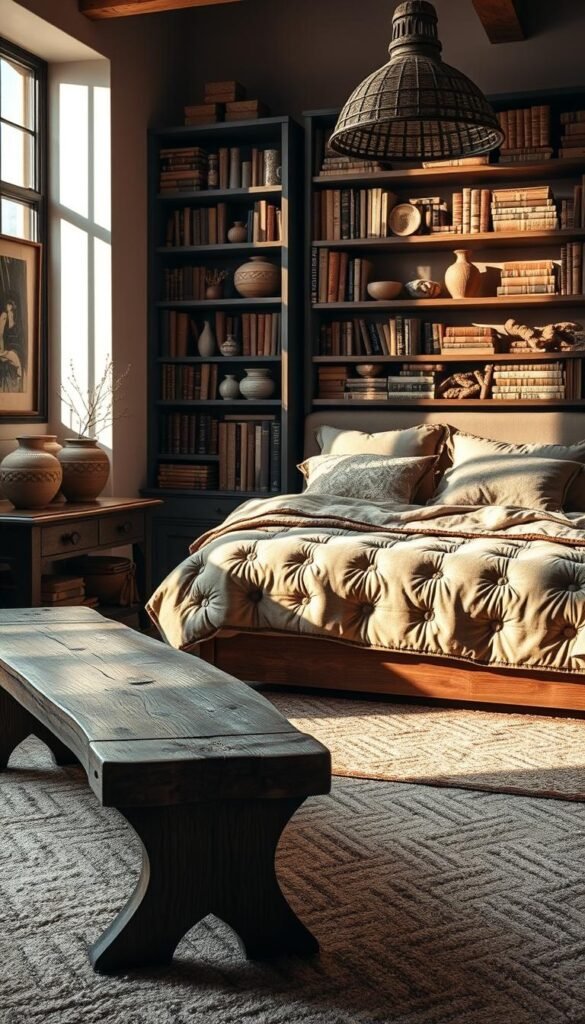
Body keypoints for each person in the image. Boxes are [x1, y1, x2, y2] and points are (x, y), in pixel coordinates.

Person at [0, 299, 24, 392]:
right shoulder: (5, 315)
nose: (9, 307)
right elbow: (1, 333)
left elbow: (11, 328)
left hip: (10, 345)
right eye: (8, 305)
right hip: (5, 344)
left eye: (10, 306)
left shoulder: (11, 315)